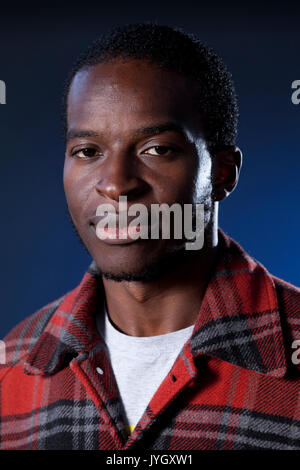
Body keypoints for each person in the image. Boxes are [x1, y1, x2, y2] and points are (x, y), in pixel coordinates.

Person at [0, 23, 299, 451]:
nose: (117, 185)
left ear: (222, 173)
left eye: (157, 149)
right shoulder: (13, 366)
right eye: (88, 152)